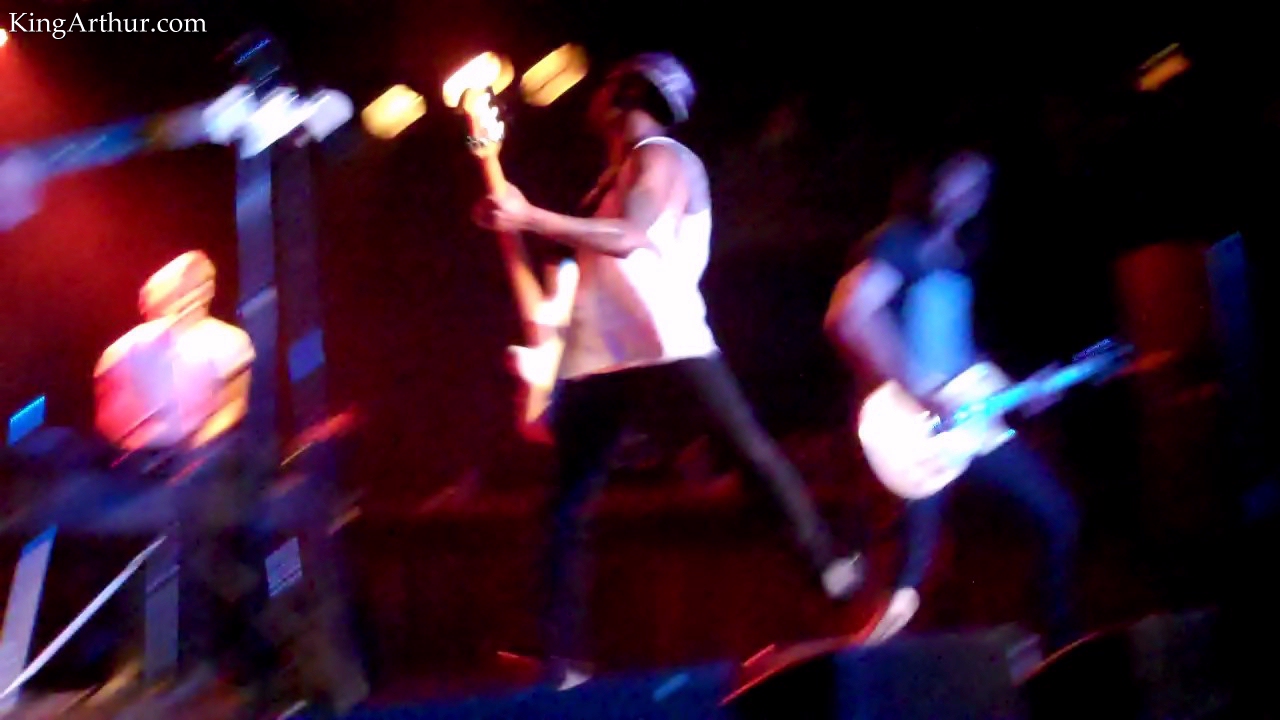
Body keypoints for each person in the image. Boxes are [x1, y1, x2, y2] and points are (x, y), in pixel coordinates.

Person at [474, 52, 864, 688]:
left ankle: (831, 570)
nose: (596, 94)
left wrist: (531, 217)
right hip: (604, 352)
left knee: (749, 455)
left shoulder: (662, 157)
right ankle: (559, 655)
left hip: (668, 340)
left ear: (629, 95)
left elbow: (631, 236)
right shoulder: (615, 173)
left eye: (608, 84)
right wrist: (510, 220)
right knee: (566, 503)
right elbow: (581, 255)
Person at [824, 151, 1081, 651]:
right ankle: (868, 672)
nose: (966, 193)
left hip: (966, 422)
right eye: (956, 179)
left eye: (978, 186)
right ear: (932, 183)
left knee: (1059, 516)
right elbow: (849, 314)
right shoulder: (900, 241)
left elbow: (960, 353)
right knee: (911, 579)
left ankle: (1054, 647)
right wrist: (919, 391)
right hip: (915, 427)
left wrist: (1022, 390)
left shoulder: (958, 261)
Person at [94, 250, 278, 712]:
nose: (193, 295)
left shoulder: (228, 341)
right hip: (146, 459)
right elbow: (111, 414)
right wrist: (139, 444)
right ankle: (134, 662)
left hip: (209, 455)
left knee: (205, 542)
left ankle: (212, 664)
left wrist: (197, 449)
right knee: (131, 540)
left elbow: (233, 405)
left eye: (202, 284)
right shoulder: (125, 349)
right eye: (182, 287)